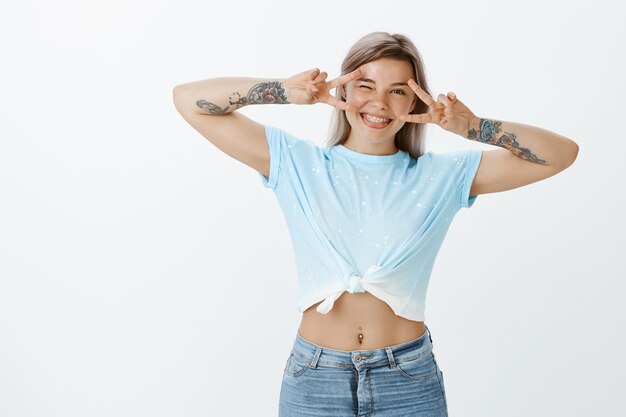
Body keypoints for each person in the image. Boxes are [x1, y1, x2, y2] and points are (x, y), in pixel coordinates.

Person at [173, 31, 578, 417]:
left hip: (407, 379)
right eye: (366, 85)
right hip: (315, 378)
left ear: (414, 102)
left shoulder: (441, 176)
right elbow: (188, 100)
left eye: (397, 90)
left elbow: (560, 154)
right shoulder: (296, 162)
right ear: (343, 89)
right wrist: (283, 91)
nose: (379, 103)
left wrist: (472, 127)